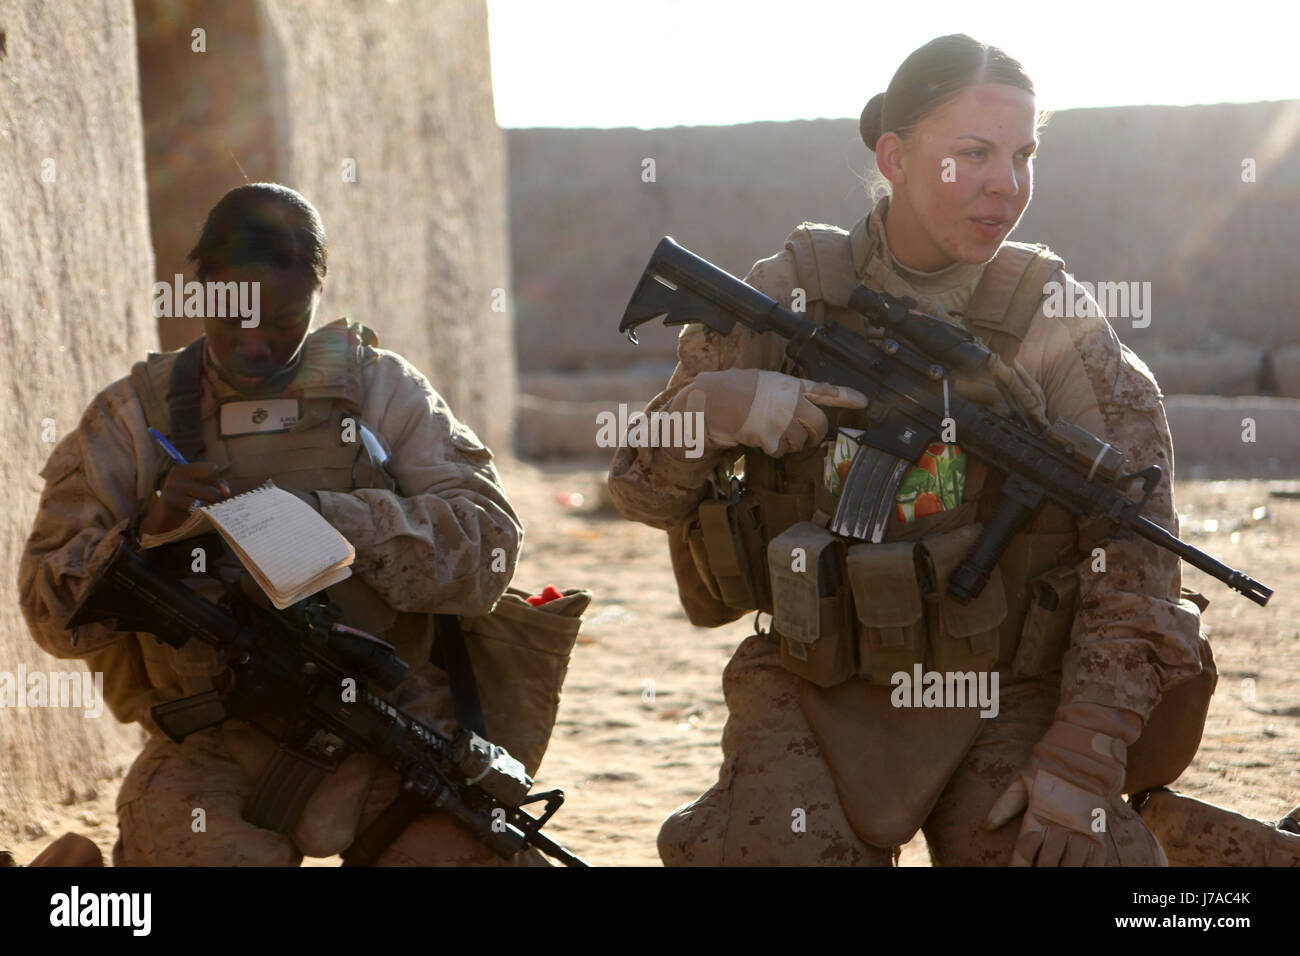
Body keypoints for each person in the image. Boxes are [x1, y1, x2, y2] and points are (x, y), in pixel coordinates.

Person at [608, 34, 1213, 866]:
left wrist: (1080, 760)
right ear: (894, 156)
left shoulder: (1058, 324)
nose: (1008, 183)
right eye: (973, 153)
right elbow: (639, 491)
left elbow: (1139, 570)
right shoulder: (794, 289)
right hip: (818, 686)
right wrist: (712, 408)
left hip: (1009, 694)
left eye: (1024, 154)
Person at [18, 182, 533, 866]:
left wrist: (330, 520)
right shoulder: (131, 419)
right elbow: (49, 614)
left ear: (319, 294)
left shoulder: (380, 391)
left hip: (384, 722)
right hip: (212, 740)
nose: (256, 345)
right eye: (233, 318)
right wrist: (147, 535)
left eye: (285, 320)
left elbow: (491, 550)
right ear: (199, 290)